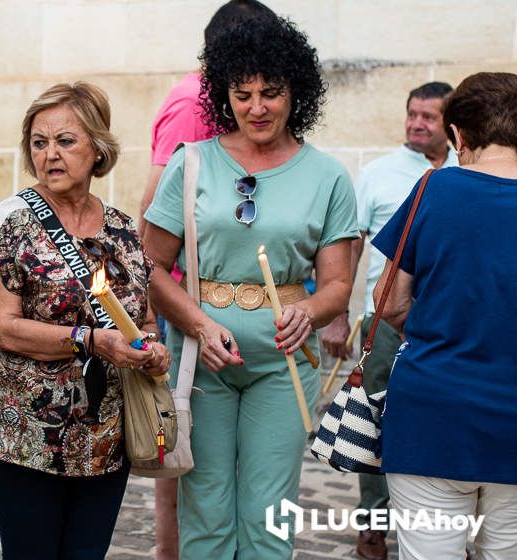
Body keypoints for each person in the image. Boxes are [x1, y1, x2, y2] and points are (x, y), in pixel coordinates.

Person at [143, 15, 359, 559]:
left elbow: (337, 284)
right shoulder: (190, 163)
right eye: (243, 94)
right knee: (206, 509)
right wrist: (197, 323)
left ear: (297, 92)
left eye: (271, 92)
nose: (257, 107)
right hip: (200, 356)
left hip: (284, 364)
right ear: (224, 95)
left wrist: (309, 310)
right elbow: (148, 267)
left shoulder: (328, 176)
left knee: (268, 516)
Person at [0, 82, 171, 560]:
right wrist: (91, 341)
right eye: (39, 143)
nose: (50, 155)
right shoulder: (10, 221)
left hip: (104, 439)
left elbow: (141, 319)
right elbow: (2, 327)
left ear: (97, 148)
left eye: (65, 141)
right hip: (27, 437)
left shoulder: (123, 229)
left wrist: (151, 348)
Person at [137, 2, 278, 558]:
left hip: (246, 327)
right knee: (190, 464)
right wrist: (169, 312)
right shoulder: (192, 103)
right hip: (193, 312)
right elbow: (155, 211)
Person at [372, 71, 517, 560]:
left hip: (432, 413)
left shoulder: (435, 187)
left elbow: (388, 300)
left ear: (457, 135)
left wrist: (434, 328)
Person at [320, 81, 457, 560]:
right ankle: (373, 526)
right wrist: (337, 317)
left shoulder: (469, 173)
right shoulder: (378, 174)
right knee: (371, 421)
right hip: (383, 323)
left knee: (436, 423)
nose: (418, 124)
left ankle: (437, 524)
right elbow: (348, 249)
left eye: (430, 117)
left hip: (444, 329)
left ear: (450, 124)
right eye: (412, 114)